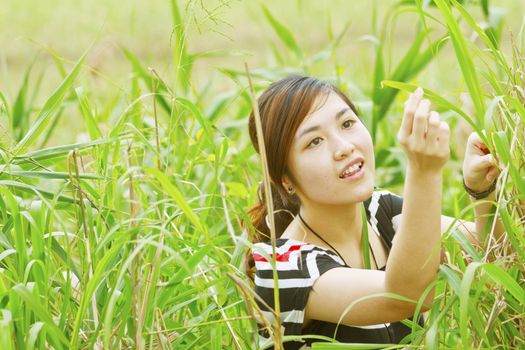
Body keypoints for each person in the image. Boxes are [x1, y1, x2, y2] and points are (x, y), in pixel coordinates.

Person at [245, 75, 503, 349]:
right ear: (284, 178)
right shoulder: (282, 269)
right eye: (314, 142)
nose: (344, 147)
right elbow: (404, 296)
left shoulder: (381, 212)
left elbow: (492, 255)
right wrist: (423, 170)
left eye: (347, 124)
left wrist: (482, 191)